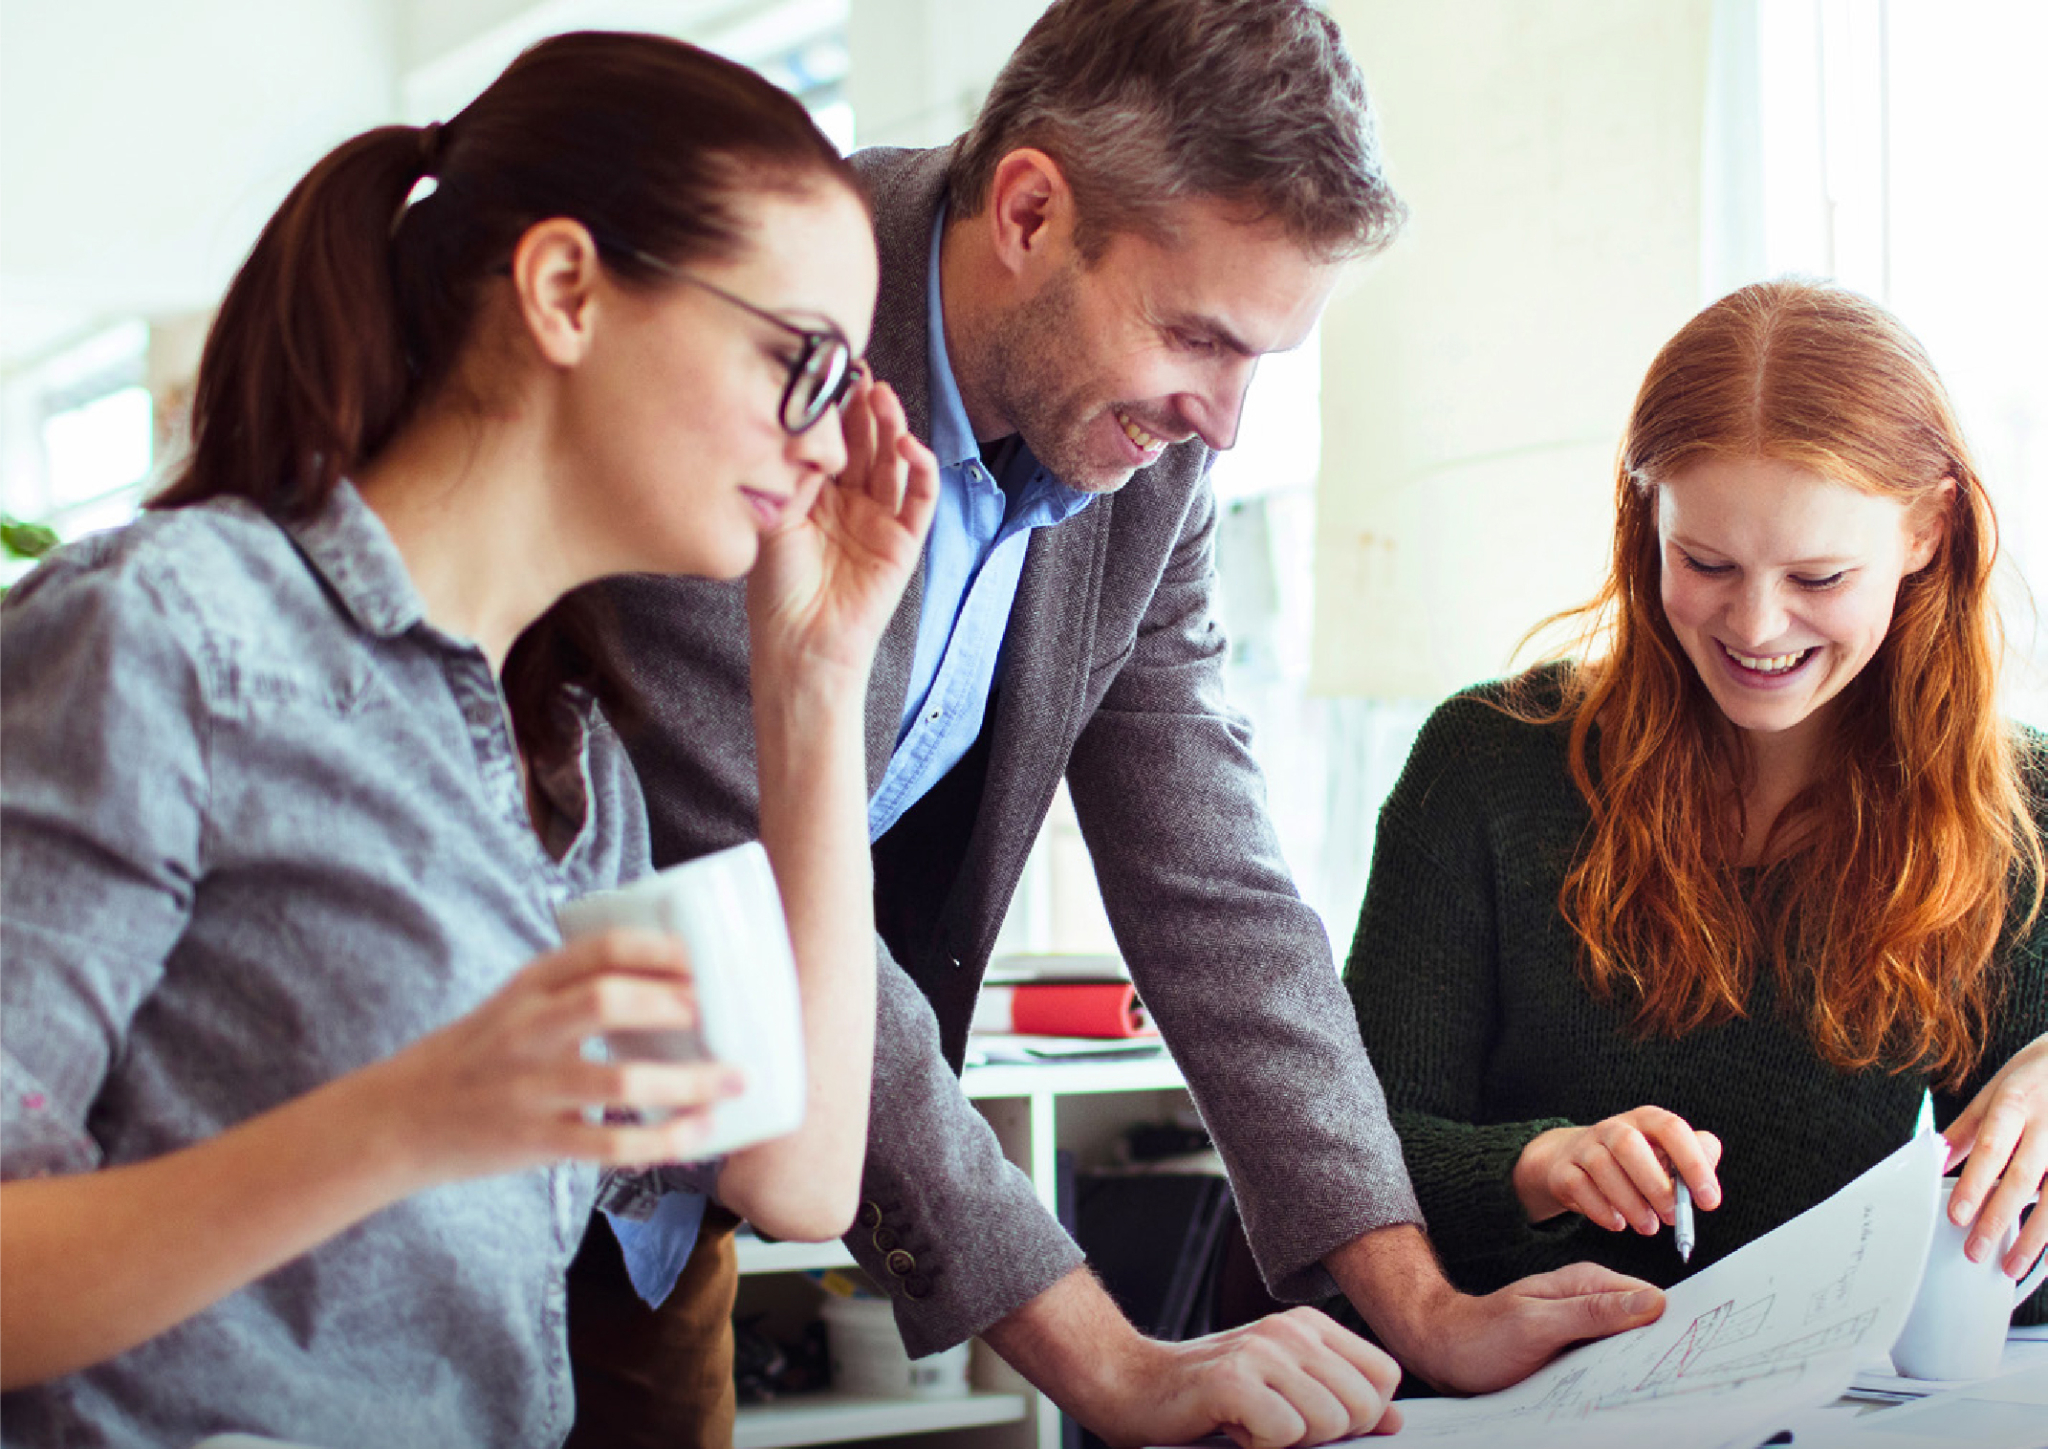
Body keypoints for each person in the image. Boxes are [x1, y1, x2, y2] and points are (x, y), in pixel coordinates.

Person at [573, 3, 1665, 1445]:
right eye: (1200, 335)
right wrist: (1111, 1362)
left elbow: (1207, 868)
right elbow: (761, 888)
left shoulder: (1140, 446)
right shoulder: (771, 359)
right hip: (475, 1117)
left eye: (1264, 360)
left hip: (678, 1165)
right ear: (1030, 208)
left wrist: (1423, 1304)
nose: (1224, 422)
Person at [0, 31, 937, 1448]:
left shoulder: (566, 765)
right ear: (565, 290)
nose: (827, 445)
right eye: (804, 365)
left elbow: (796, 1179)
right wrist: (410, 1118)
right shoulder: (168, 636)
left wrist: (813, 679)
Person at [1340, 279, 2048, 1325]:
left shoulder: (2009, 810)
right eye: (1704, 561)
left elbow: (2005, 1284)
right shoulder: (1485, 766)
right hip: (1496, 1400)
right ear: (1645, 517)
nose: (1756, 627)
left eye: (1816, 576)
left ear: (1926, 532)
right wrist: (1539, 1165)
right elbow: (1341, 1148)